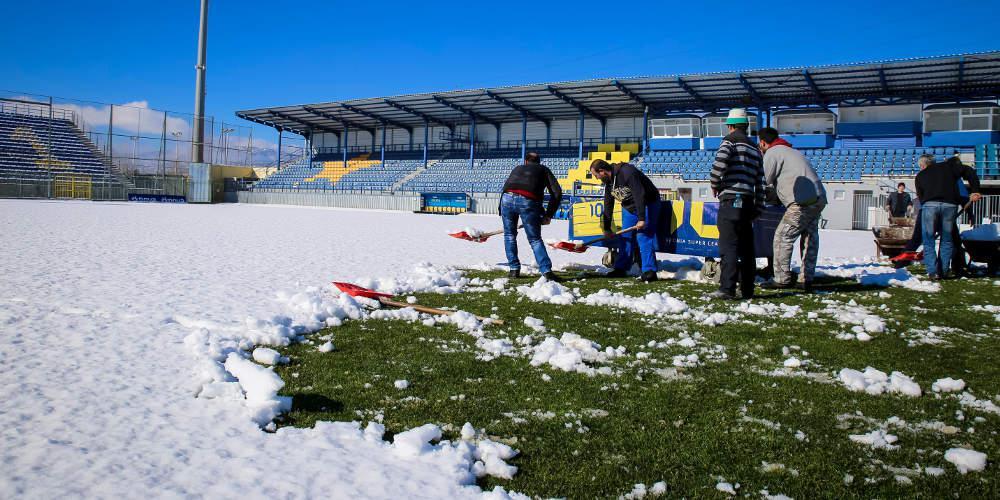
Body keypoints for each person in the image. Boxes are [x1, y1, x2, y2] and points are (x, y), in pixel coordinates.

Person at [757, 127, 827, 292]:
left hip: (801, 202)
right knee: (809, 238)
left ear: (762, 142)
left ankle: (781, 278)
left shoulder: (773, 152)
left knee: (782, 237)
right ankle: (806, 278)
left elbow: (765, 178)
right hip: (818, 197)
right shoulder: (791, 151)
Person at [708, 108, 765, 300]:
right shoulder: (756, 149)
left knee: (729, 246)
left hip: (731, 200)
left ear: (730, 126)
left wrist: (715, 183)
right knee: (747, 249)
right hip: (748, 201)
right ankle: (748, 289)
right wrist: (759, 206)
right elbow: (761, 181)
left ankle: (727, 288)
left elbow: (719, 163)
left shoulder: (730, 141)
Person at [589, 159, 662, 282]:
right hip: (629, 207)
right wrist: (607, 228)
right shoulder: (609, 182)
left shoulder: (627, 172)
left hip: (647, 203)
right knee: (625, 237)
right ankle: (621, 268)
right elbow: (608, 204)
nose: (596, 178)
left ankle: (649, 271)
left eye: (596, 175)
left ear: (602, 171)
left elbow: (640, 194)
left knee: (643, 236)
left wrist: (642, 218)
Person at [914, 154, 982, 279]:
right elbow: (969, 171)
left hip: (930, 206)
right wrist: (975, 190)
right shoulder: (948, 167)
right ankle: (943, 271)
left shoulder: (920, 175)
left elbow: (921, 197)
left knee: (929, 240)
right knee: (947, 239)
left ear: (922, 165)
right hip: (950, 206)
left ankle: (933, 272)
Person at [499, 152, 563, 281]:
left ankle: (513, 269)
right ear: (539, 162)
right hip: (527, 201)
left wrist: (501, 209)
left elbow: (507, 188)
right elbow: (556, 192)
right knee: (534, 239)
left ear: (526, 161)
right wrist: (548, 215)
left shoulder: (517, 168)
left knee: (509, 235)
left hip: (506, 199)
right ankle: (546, 271)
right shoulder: (543, 170)